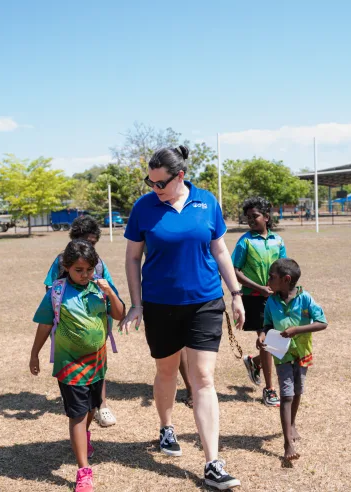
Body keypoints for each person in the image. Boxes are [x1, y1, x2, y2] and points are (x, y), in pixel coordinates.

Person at [120, 145, 245, 490]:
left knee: (203, 377)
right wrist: (137, 303)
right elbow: (132, 258)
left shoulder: (206, 202)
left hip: (205, 301)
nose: (154, 188)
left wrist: (235, 294)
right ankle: (166, 428)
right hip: (160, 305)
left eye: (160, 182)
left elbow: (220, 249)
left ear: (180, 176)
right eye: (150, 181)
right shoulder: (143, 208)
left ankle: (212, 463)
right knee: (166, 371)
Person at [30, 239, 125, 492]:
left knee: (92, 408)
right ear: (67, 268)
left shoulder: (99, 288)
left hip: (97, 362)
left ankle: (84, 436)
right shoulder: (57, 291)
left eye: (89, 270)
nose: (84, 275)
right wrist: (34, 354)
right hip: (69, 364)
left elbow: (119, 314)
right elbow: (45, 324)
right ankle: (83, 471)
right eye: (78, 270)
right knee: (78, 414)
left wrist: (110, 293)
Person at [44, 215, 122, 427]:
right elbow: (50, 290)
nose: (91, 247)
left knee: (98, 364)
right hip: (69, 326)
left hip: (96, 323)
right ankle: (76, 401)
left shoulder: (98, 264)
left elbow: (111, 291)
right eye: (87, 242)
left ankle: (101, 406)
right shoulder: (61, 261)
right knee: (72, 364)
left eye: (94, 244)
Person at [258, 258, 328, 462]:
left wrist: (297, 330)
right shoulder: (271, 301)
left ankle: (292, 423)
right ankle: (287, 443)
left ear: (286, 279)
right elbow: (267, 324)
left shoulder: (305, 299)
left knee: (298, 392)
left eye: (272, 277)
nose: (268, 280)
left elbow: (322, 323)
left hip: (302, 353)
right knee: (286, 395)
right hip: (282, 355)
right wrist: (262, 335)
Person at [231, 197, 286, 407]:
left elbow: (284, 268)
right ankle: (270, 390)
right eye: (248, 217)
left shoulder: (278, 241)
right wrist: (259, 288)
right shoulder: (245, 241)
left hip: (275, 298)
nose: (251, 221)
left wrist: (285, 291)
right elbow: (234, 271)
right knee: (268, 342)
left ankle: (254, 362)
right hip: (254, 298)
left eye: (255, 216)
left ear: (266, 217)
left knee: (277, 339)